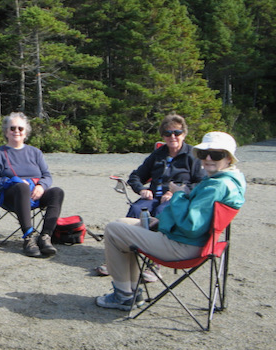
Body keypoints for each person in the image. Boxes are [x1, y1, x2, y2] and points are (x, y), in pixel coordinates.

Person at [95, 131, 245, 311]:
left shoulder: (217, 186)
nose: (208, 158)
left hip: (183, 246)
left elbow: (191, 226)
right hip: (192, 240)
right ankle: (132, 291)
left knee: (113, 230)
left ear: (229, 158)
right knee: (122, 222)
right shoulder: (226, 180)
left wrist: (178, 194)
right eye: (204, 153)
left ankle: (123, 296)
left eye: (216, 154)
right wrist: (160, 222)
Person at [96, 114, 205, 280]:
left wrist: (177, 192)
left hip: (176, 200)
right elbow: (135, 177)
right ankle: (119, 258)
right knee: (136, 209)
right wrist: (142, 190)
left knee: (163, 212)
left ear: (184, 134)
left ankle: (154, 263)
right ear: (163, 136)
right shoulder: (158, 154)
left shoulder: (193, 155)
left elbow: (200, 183)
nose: (172, 137)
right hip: (152, 197)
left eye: (177, 132)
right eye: (167, 133)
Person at [0, 112, 65, 258]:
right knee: (21, 187)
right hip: (11, 196)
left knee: (57, 192)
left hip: (35, 194)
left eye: (20, 128)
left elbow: (47, 176)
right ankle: (28, 238)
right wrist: (12, 181)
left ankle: (45, 237)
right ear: (6, 132)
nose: (16, 131)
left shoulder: (35, 152)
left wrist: (41, 186)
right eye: (12, 128)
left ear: (26, 132)